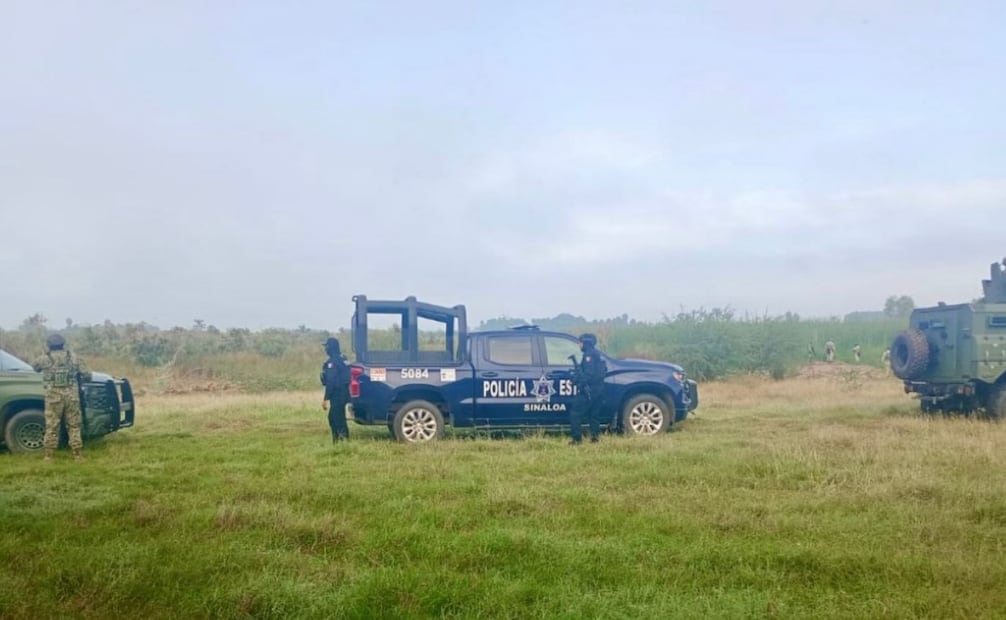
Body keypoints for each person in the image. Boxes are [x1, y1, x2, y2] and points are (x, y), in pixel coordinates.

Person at [31, 333, 91, 462]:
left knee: (52, 425)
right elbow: (87, 375)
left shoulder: (44, 359)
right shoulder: (74, 358)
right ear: (63, 344)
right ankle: (78, 455)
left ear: (49, 345)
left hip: (53, 397)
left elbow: (34, 367)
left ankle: (48, 456)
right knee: (74, 425)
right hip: (72, 397)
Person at [569, 333, 607, 445]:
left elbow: (588, 374)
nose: (579, 345)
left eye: (580, 342)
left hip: (590, 390)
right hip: (599, 389)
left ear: (585, 343)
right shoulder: (596, 354)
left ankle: (577, 440)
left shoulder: (588, 356)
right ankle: (595, 439)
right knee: (594, 414)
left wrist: (579, 383)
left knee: (575, 413)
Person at [320, 337, 350, 442]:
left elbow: (331, 382)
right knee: (337, 417)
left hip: (337, 394)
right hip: (345, 392)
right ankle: (340, 439)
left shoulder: (332, 363)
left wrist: (325, 399)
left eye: (327, 346)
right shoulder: (343, 359)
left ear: (331, 348)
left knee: (335, 418)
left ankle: (340, 440)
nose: (325, 349)